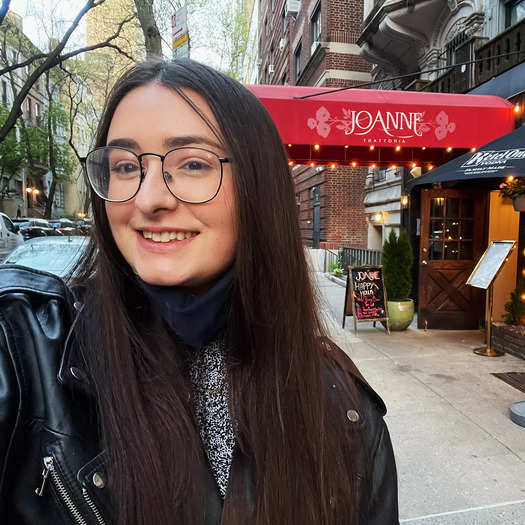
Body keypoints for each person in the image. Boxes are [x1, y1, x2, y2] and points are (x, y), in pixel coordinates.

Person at [0, 59, 398, 525]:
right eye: (126, 166)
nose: (149, 199)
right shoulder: (29, 350)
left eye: (192, 163)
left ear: (258, 187)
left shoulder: (343, 410)